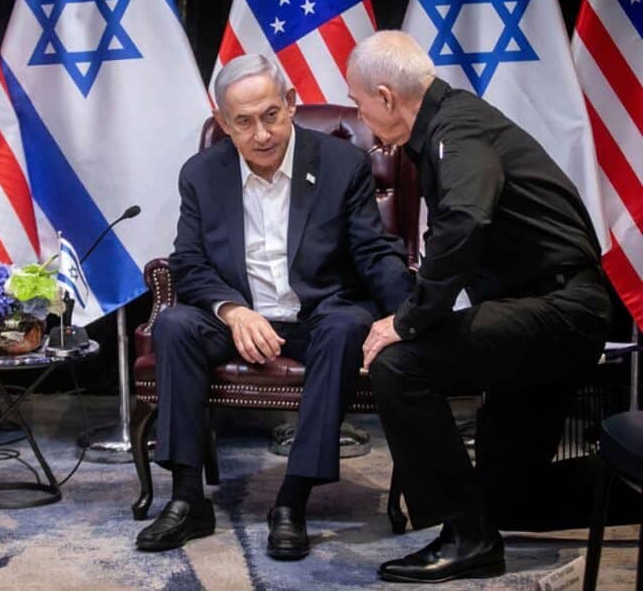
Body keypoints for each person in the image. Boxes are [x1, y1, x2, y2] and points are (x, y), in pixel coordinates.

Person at [347, 30, 611, 583]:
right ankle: (625, 485)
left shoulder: (457, 130)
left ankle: (466, 538)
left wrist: (410, 319)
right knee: (511, 498)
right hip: (542, 307)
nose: (360, 114)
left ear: (387, 97)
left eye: (358, 102)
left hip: (559, 309)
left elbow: (466, 219)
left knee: (401, 363)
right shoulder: (455, 123)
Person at [135, 54, 413, 560]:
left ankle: (292, 500)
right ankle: (186, 497)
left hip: (316, 315)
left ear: (290, 105)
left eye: (270, 115)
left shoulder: (340, 165)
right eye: (243, 122)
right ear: (223, 123)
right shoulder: (201, 174)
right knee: (175, 325)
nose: (261, 134)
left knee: (348, 326)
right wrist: (232, 311)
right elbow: (190, 262)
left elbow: (374, 251)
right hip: (241, 317)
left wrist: (412, 315)